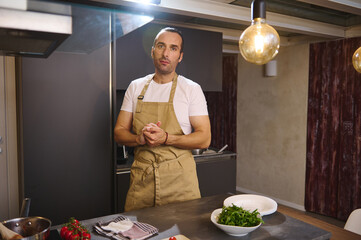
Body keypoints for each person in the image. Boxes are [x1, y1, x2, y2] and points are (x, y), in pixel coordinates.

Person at [114, 27, 211, 211]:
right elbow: (119, 132)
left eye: (173, 48)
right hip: (142, 181)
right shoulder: (135, 87)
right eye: (161, 46)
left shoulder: (191, 89)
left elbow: (204, 138)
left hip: (180, 183)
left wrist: (166, 138)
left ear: (180, 56)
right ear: (153, 51)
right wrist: (138, 139)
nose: (166, 53)